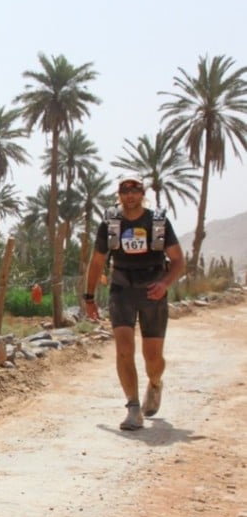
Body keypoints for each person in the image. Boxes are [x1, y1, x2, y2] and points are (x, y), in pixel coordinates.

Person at [84, 174, 185, 431]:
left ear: (142, 193)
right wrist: (89, 297)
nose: (130, 195)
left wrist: (164, 284)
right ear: (119, 194)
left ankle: (155, 383)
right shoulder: (111, 224)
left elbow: (178, 260)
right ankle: (132, 407)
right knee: (124, 349)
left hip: (153, 292)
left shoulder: (157, 222)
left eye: (135, 190)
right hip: (122, 291)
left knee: (153, 358)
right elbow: (97, 262)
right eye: (125, 190)